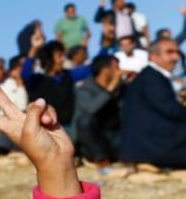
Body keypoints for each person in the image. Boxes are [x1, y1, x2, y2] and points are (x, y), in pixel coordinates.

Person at [119, 38, 186, 169]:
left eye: (177, 52)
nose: (176, 57)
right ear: (154, 57)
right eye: (170, 52)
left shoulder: (151, 76)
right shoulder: (152, 78)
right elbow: (171, 110)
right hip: (152, 145)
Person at [74, 54, 122, 167]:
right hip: (94, 141)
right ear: (106, 71)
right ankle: (100, 159)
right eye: (116, 68)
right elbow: (91, 109)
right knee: (85, 121)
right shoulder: (84, 89)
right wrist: (111, 88)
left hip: (114, 136)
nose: (119, 71)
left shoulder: (119, 88)